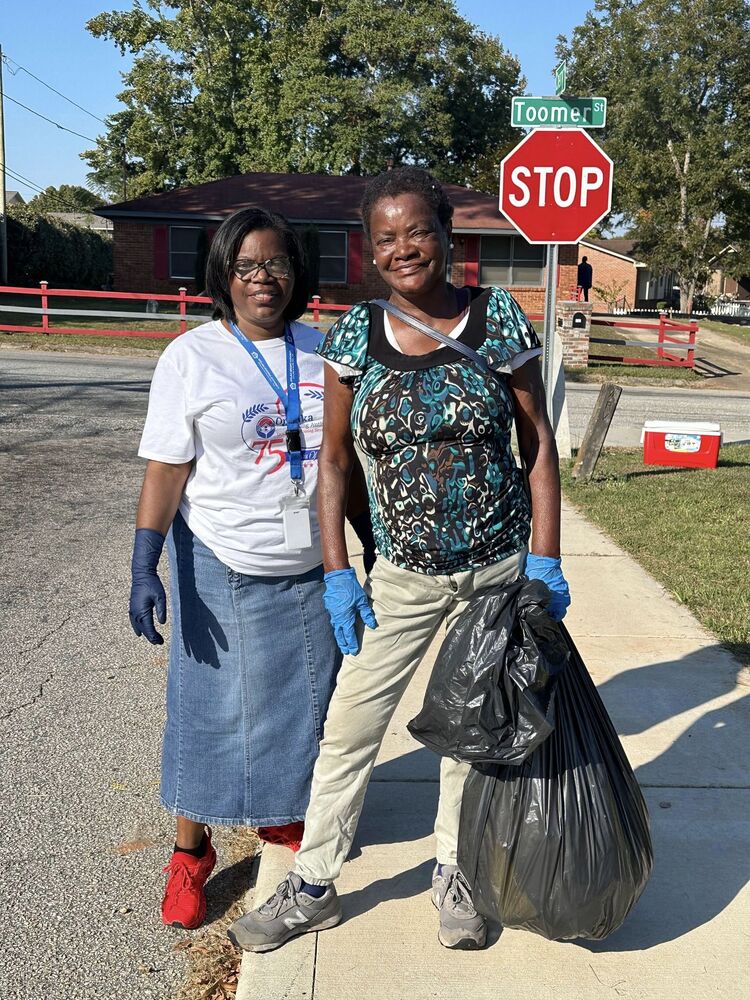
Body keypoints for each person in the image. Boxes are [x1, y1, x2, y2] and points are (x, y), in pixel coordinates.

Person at [228, 168, 570, 954]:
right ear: (370, 252)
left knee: (467, 732)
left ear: (445, 232)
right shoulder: (356, 333)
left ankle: (454, 871)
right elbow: (334, 463)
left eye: (417, 230)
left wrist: (544, 561)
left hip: (494, 574)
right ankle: (313, 882)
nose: (404, 248)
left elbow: (538, 446)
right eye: (386, 238)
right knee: (351, 726)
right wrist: (337, 570)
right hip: (402, 577)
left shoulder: (497, 316)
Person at [129, 206, 374, 930]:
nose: (263, 278)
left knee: (301, 707)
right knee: (208, 716)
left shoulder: (322, 348)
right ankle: (190, 854)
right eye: (247, 266)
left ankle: (277, 817)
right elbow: (166, 467)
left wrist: (368, 544)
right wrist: (145, 561)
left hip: (309, 563)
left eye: (277, 264)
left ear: (296, 273)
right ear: (224, 277)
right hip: (221, 558)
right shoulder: (193, 356)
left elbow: (342, 462)